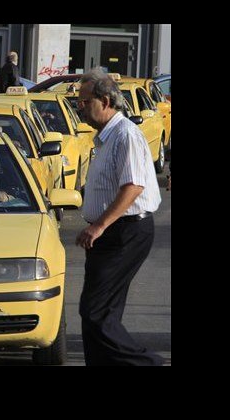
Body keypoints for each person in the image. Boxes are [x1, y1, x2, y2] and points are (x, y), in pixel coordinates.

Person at [73, 68, 163, 366]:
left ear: (106, 101)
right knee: (102, 314)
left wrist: (99, 225)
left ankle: (147, 363)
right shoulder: (105, 138)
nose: (80, 107)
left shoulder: (126, 135)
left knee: (95, 312)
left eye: (85, 101)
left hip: (124, 232)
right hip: (110, 233)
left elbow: (133, 186)